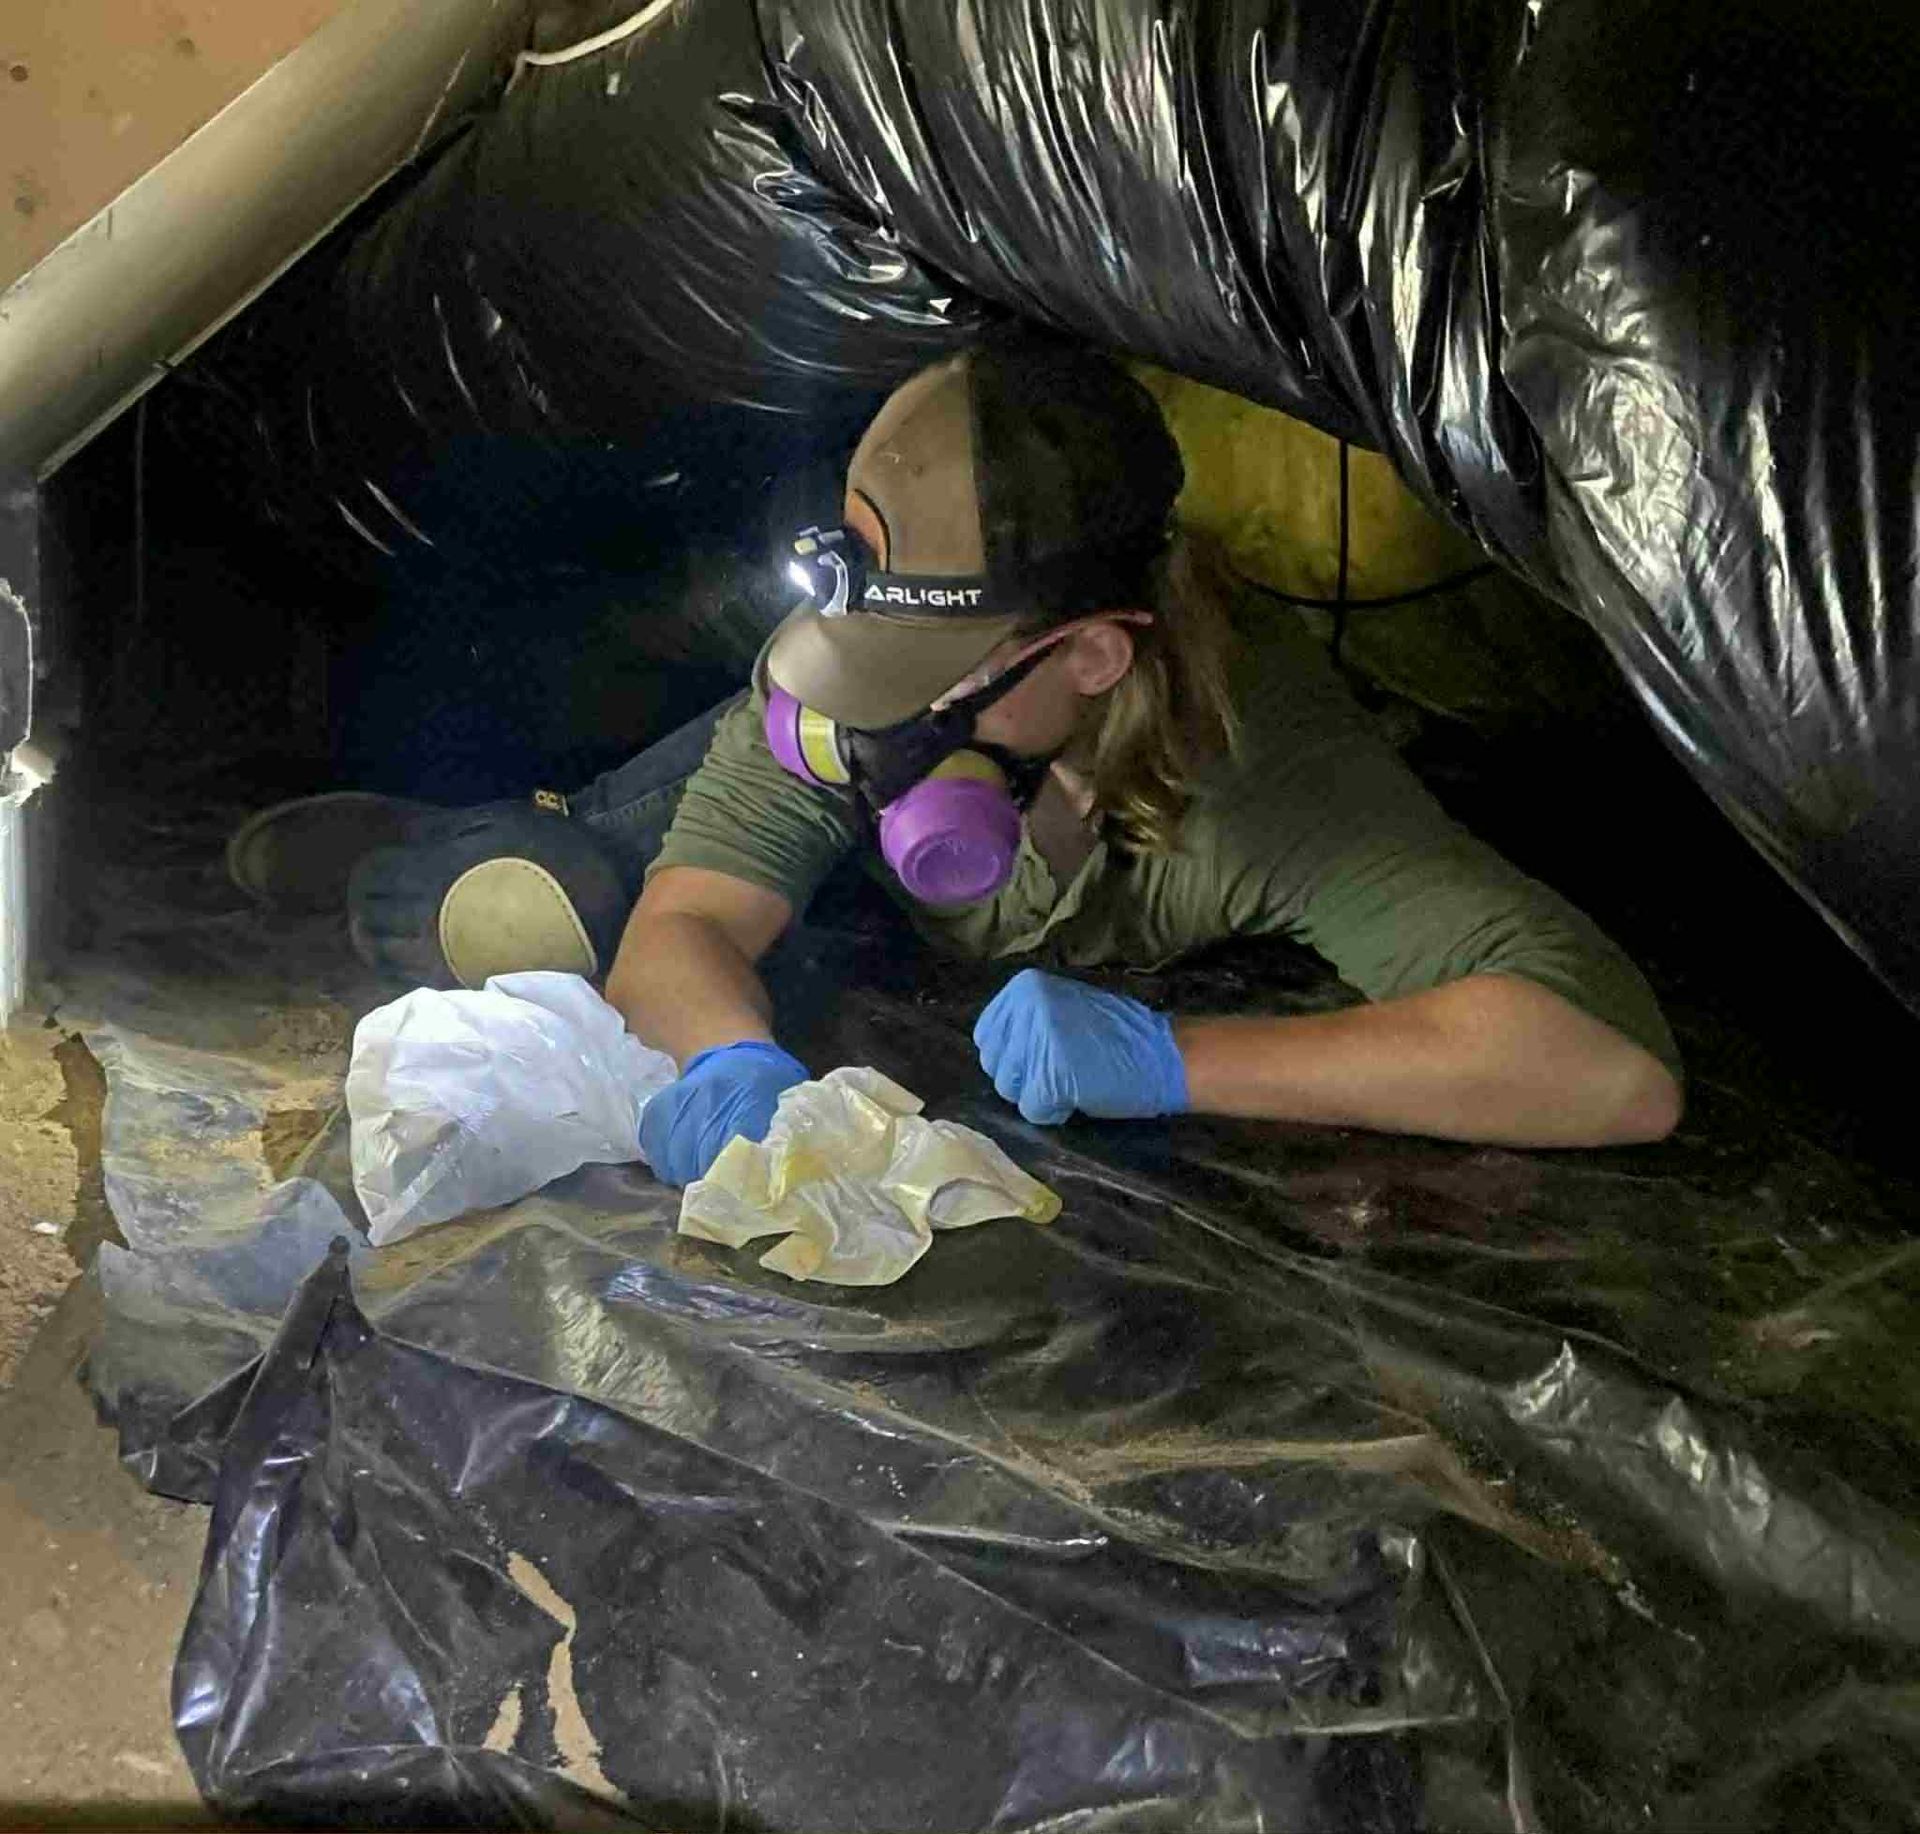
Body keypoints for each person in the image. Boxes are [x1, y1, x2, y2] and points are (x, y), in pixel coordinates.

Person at [229, 337, 1681, 1186]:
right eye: (864, 657)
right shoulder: (844, 688)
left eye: (927, 689)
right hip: (846, 886)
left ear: (1095, 653)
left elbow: (1612, 1073)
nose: (871, 727)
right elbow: (692, 933)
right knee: (550, 898)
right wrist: (729, 1062)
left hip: (978, 884)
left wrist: (1183, 1060)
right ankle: (479, 838)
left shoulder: (1261, 774)